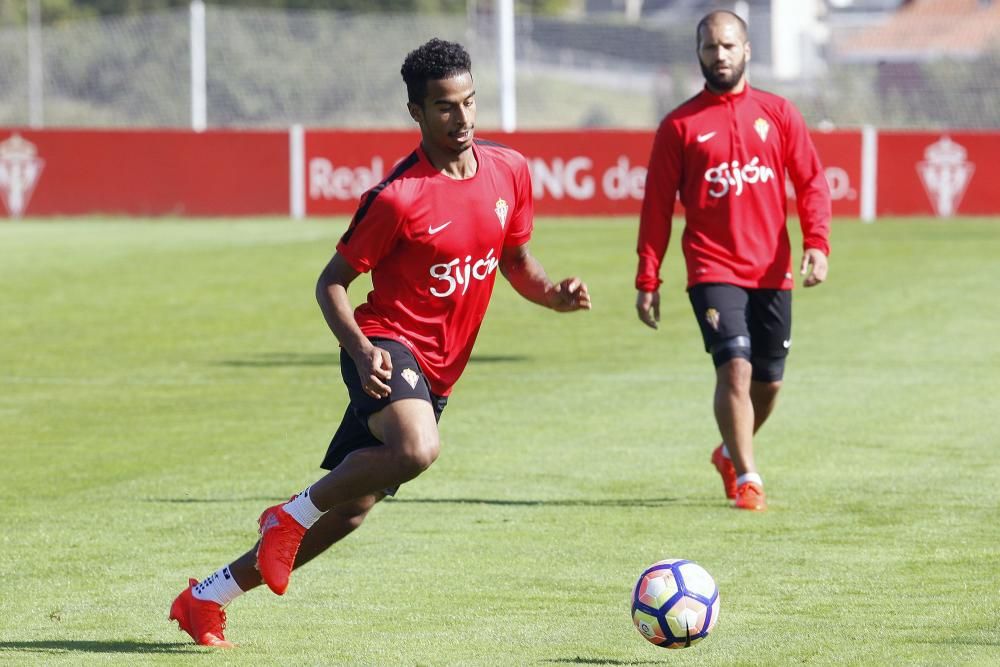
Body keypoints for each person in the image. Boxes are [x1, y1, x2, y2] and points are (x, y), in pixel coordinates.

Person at [169, 38, 591, 647]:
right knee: (418, 449)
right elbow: (331, 284)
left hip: (439, 372)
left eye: (470, 102)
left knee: (352, 511)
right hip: (385, 344)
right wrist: (363, 351)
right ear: (416, 112)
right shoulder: (399, 198)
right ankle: (289, 513)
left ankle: (206, 596)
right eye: (445, 107)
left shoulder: (511, 171)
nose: (463, 118)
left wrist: (553, 294)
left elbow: (516, 259)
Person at [634, 10, 830, 511]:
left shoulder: (779, 113)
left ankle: (727, 452)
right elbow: (657, 206)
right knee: (735, 369)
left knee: (770, 380)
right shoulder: (679, 125)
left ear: (746, 50)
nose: (718, 55)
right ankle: (748, 477)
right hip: (711, 267)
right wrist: (648, 276)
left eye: (727, 46)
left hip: (771, 268)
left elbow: (810, 181)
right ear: (699, 53)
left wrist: (817, 243)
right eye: (709, 47)